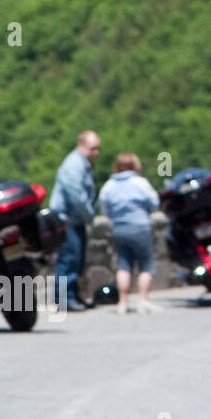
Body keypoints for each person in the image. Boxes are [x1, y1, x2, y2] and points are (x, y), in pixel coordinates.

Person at [98, 153, 160, 313]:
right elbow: (154, 203)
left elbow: (104, 207)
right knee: (145, 265)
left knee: (123, 265)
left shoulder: (109, 185)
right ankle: (143, 300)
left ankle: (123, 302)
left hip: (119, 228)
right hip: (140, 226)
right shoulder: (140, 183)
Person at [49, 130, 102, 310]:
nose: (96, 153)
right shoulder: (74, 165)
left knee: (77, 259)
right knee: (68, 259)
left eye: (97, 149)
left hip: (75, 220)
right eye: (92, 149)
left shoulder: (82, 164)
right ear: (81, 146)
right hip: (66, 219)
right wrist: (90, 216)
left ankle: (74, 295)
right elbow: (76, 196)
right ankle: (64, 299)